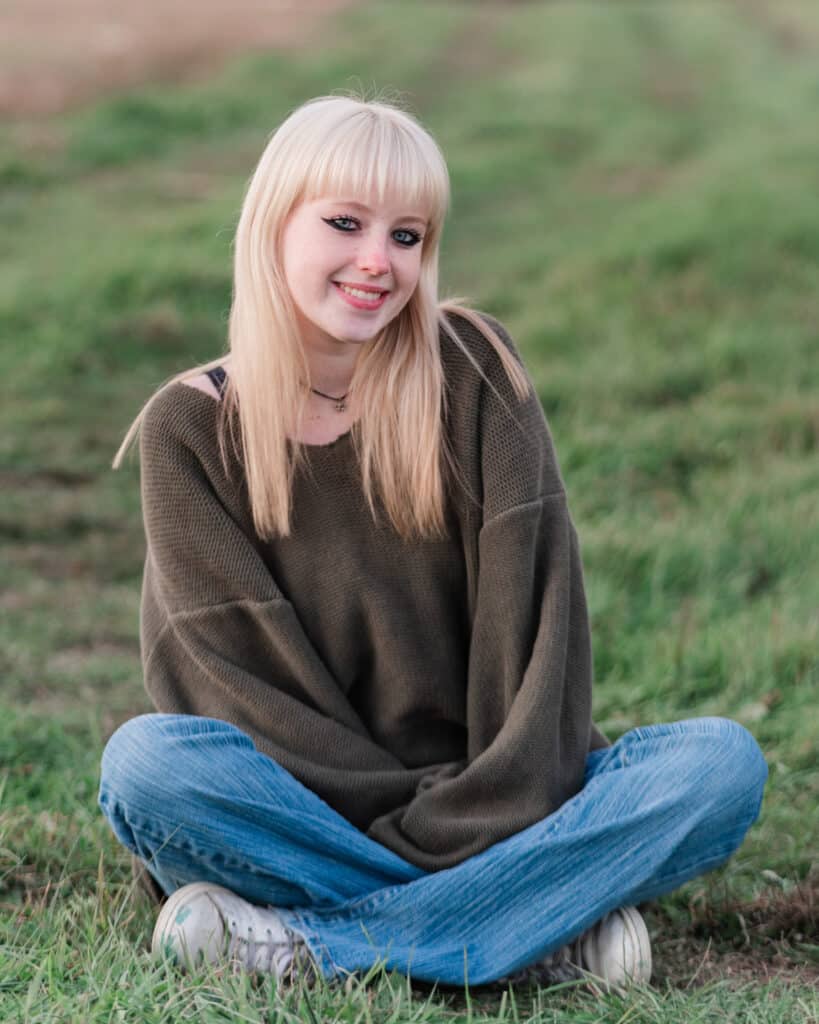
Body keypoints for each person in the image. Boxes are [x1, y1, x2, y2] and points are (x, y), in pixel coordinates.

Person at [98, 94, 768, 991]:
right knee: (148, 767)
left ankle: (304, 944)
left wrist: (481, 815)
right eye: (345, 224)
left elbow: (538, 642)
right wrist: (416, 838)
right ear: (271, 225)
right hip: (306, 812)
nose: (379, 262)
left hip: (502, 799)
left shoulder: (477, 370)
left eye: (407, 236)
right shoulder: (191, 428)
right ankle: (536, 927)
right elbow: (235, 690)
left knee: (717, 765)